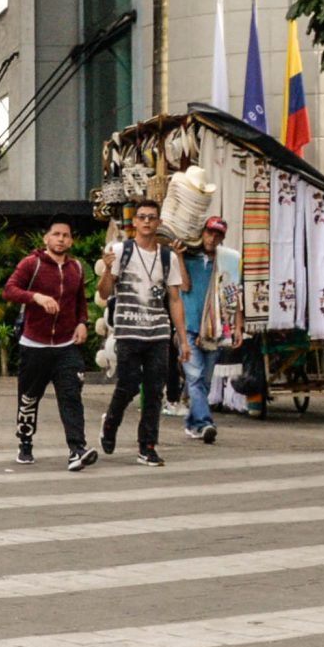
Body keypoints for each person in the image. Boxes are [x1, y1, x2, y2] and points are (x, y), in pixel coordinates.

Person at [97, 198, 188, 466]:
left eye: (152, 217)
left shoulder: (167, 256)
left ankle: (147, 445)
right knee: (127, 385)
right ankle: (111, 423)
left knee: (154, 389)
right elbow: (104, 293)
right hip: (128, 330)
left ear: (158, 223)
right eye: (142, 217)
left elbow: (174, 299)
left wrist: (183, 339)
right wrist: (106, 270)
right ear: (134, 222)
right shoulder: (119, 250)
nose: (147, 221)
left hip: (158, 334)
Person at [1, 219, 93, 468]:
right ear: (46, 239)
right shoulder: (33, 263)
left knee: (71, 396)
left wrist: (83, 322)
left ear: (71, 240)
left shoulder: (77, 268)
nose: (61, 239)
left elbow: (80, 302)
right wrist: (36, 297)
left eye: (66, 235)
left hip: (66, 346)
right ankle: (25, 444)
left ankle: (77, 449)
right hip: (35, 345)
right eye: (56, 234)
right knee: (29, 398)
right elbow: (9, 290)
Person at [178, 217, 241, 442]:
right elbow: (184, 286)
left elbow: (234, 295)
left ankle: (192, 422)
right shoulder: (188, 258)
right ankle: (205, 424)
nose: (212, 238)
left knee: (204, 380)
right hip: (189, 328)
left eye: (217, 235)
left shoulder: (228, 262)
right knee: (195, 378)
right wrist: (178, 256)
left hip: (215, 331)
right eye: (209, 233)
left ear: (222, 238)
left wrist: (238, 327)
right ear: (202, 233)